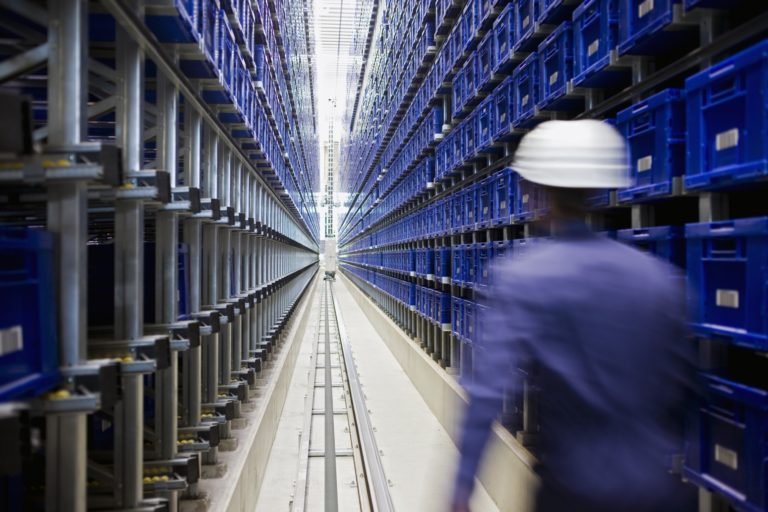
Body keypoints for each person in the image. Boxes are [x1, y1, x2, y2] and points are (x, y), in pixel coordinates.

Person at [451, 120, 697, 512]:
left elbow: (486, 393)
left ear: (536, 190)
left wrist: (462, 487)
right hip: (659, 491)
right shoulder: (659, 279)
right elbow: (684, 389)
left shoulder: (524, 276)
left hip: (575, 492)